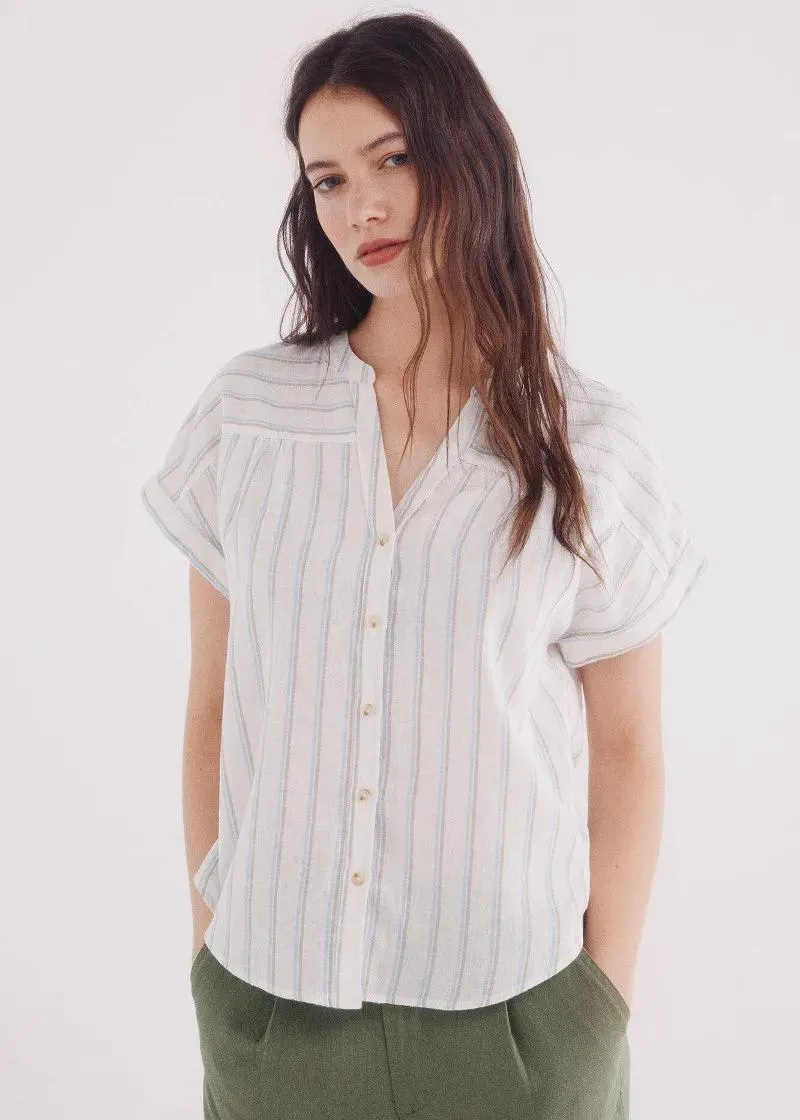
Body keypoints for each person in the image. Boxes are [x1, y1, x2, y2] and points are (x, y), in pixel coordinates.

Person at [141, 12, 708, 1120]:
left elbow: (628, 744)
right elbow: (213, 704)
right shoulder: (248, 418)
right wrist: (213, 951)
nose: (362, 206)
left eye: (392, 159)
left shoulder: (588, 440)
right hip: (273, 1015)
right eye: (328, 179)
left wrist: (598, 1003)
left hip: (518, 1024)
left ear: (466, 154)